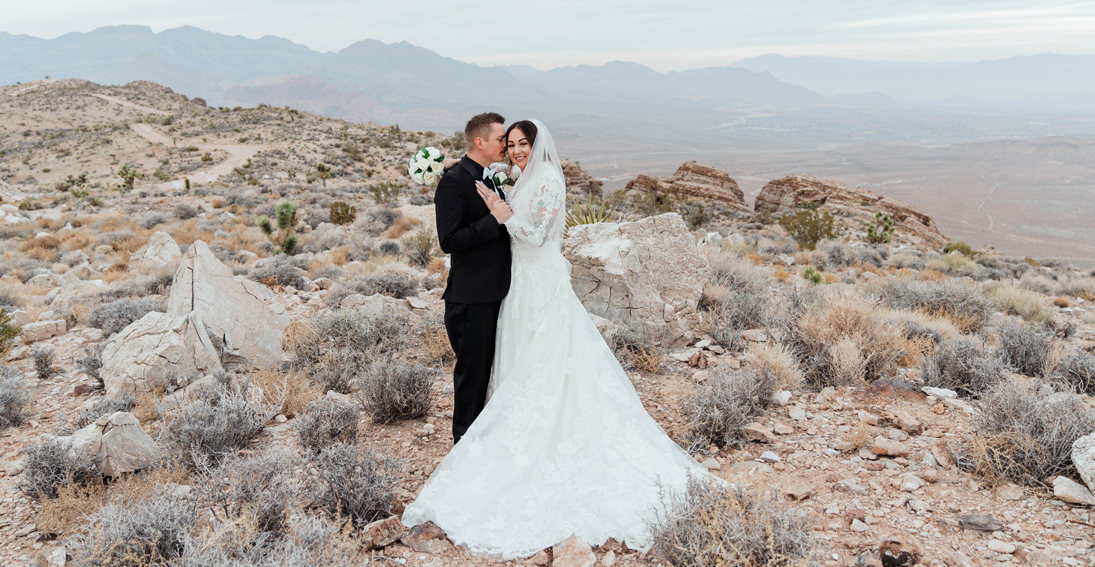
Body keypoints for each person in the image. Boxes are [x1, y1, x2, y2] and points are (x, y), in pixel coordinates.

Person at [402, 119, 713, 559]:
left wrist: (502, 215)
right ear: (488, 145)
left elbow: (537, 233)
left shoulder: (544, 178)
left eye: (521, 144)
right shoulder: (501, 175)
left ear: (537, 144)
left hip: (538, 281)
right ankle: (473, 447)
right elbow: (459, 219)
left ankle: (497, 445)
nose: (514, 151)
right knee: (501, 365)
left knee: (544, 360)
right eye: (507, 144)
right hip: (506, 290)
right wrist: (458, 169)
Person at [433, 112, 513, 444]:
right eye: (500, 139)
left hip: (493, 292)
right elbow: (448, 240)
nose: (506, 145)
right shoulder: (454, 183)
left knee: (487, 374)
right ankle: (463, 450)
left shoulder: (486, 174)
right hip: (471, 299)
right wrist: (493, 220)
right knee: (472, 379)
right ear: (479, 142)